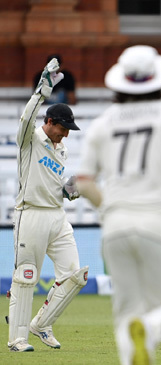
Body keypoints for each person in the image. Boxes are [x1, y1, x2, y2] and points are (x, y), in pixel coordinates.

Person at [76, 45, 161, 365]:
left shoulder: (102, 123)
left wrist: (111, 208)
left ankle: (139, 332)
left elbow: (83, 181)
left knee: (125, 317)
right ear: (158, 79)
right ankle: (149, 328)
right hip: (156, 221)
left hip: (115, 226)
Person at [7, 58, 87, 352]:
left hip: (57, 215)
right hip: (31, 214)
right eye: (63, 127)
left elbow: (58, 184)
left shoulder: (61, 147)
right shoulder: (30, 139)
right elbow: (26, 120)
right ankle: (17, 339)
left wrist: (70, 190)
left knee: (74, 275)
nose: (66, 133)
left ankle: (40, 324)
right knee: (26, 276)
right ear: (49, 122)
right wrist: (41, 92)